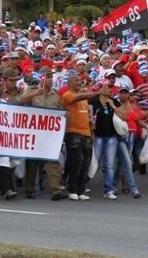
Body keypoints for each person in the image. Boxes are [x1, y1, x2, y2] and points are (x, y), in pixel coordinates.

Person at [20, 66, 68, 201]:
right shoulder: (32, 90)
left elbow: (60, 111)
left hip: (50, 136)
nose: (50, 79)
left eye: (51, 77)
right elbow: (21, 101)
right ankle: (29, 189)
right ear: (41, 78)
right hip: (34, 134)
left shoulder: (56, 94)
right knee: (32, 163)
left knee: (53, 161)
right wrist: (35, 93)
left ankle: (55, 190)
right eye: (47, 77)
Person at [61, 72, 103, 201]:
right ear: (69, 84)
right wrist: (97, 93)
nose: (79, 82)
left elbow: (87, 117)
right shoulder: (67, 95)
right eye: (76, 80)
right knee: (77, 160)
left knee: (86, 162)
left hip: (86, 133)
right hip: (72, 132)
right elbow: (80, 96)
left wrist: (91, 132)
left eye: (80, 80)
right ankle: (72, 189)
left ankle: (81, 190)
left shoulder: (84, 98)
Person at [88, 82, 127, 200]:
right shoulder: (93, 103)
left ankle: (108, 189)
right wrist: (92, 133)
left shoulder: (114, 101)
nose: (108, 89)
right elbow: (89, 119)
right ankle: (82, 184)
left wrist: (113, 106)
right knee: (93, 161)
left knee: (109, 164)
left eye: (110, 87)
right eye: (106, 87)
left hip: (111, 136)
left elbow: (124, 116)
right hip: (98, 135)